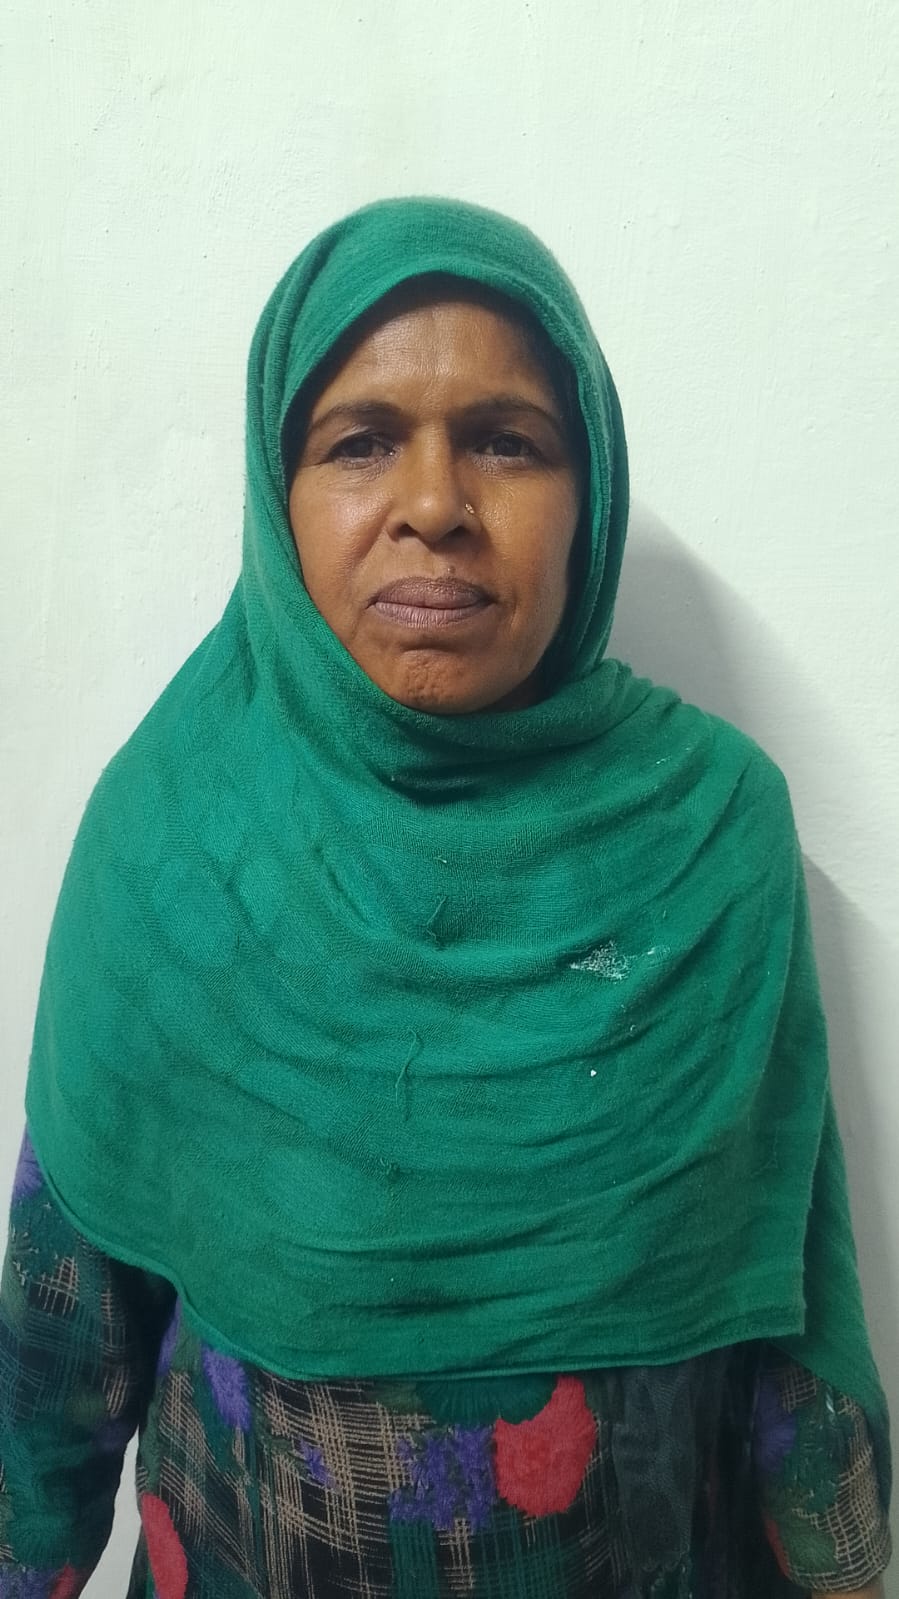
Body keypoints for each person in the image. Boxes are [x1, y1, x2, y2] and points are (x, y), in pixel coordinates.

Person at [0, 197, 891, 1599]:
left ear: (590, 486)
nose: (434, 505)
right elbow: (53, 1366)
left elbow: (787, 1322)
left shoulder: (713, 833)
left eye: (507, 441)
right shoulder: (173, 849)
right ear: (278, 488)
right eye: (360, 441)